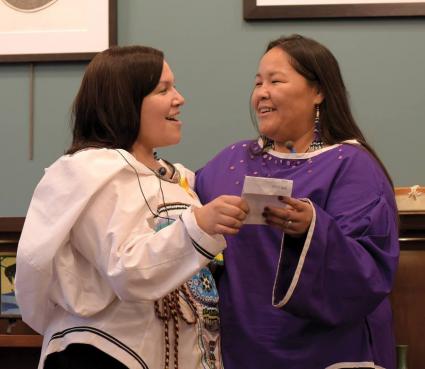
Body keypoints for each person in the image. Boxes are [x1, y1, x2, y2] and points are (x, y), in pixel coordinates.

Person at [15, 45, 248, 369]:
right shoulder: (90, 172)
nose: (179, 98)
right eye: (163, 89)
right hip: (102, 355)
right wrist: (199, 225)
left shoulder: (178, 178)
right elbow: (127, 270)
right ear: (124, 101)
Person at [195, 34, 399, 369]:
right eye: (258, 82)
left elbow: (370, 270)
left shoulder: (351, 165)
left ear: (318, 91)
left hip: (332, 351)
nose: (262, 92)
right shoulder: (233, 159)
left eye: (276, 80)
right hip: (242, 348)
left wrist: (312, 229)